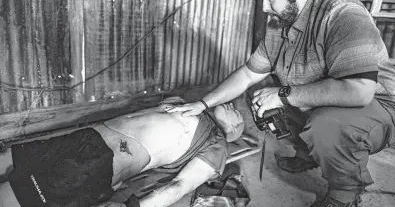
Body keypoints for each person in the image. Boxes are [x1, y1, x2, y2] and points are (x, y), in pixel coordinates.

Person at [165, 0, 395, 207]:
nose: (263, 7)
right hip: (328, 102)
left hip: (381, 109)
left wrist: (283, 94)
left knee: (325, 124)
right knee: (263, 98)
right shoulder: (280, 23)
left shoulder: (343, 15)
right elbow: (249, 74)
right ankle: (309, 154)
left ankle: (345, 193)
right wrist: (203, 104)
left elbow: (359, 91)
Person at [0, 96, 244, 207]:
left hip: (93, 164)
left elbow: (179, 186)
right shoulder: (185, 102)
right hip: (82, 137)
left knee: (11, 196)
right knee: (6, 158)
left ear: (234, 129)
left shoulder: (216, 144)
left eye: (239, 113)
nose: (234, 104)